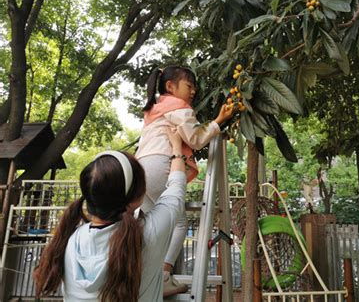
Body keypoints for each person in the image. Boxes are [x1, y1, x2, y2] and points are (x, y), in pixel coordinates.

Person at [34, 129, 187, 302]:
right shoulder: (149, 233)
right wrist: (176, 148)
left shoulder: (72, 240)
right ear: (137, 197)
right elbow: (177, 187)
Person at [136, 65, 234, 296]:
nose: (193, 92)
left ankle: (147, 274)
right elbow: (195, 138)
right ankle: (165, 274)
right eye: (189, 86)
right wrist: (218, 121)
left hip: (141, 169)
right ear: (171, 86)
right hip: (162, 164)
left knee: (152, 225)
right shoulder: (179, 107)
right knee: (179, 223)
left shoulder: (155, 108)